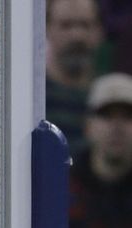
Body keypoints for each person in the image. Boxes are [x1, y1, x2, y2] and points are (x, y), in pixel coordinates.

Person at [69, 73, 132, 228]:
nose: (117, 127)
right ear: (88, 126)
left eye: (127, 117)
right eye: (106, 116)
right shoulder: (64, 182)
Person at [45, 0, 103, 159]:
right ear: (47, 29)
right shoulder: (32, 98)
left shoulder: (109, 100)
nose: (77, 35)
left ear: (99, 31)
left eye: (85, 25)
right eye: (66, 25)